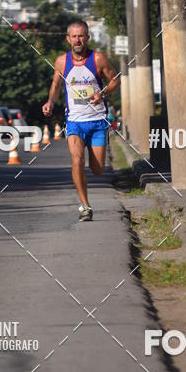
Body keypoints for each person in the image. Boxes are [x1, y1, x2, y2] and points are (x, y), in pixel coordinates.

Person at [42, 20, 119, 222]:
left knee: (97, 169)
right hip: (74, 121)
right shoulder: (61, 62)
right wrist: (50, 101)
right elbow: (56, 85)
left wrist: (101, 93)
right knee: (77, 160)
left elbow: (115, 80)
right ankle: (85, 206)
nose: (78, 40)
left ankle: (86, 200)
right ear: (68, 39)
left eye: (81, 35)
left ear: (87, 38)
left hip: (97, 121)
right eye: (74, 36)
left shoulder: (98, 59)